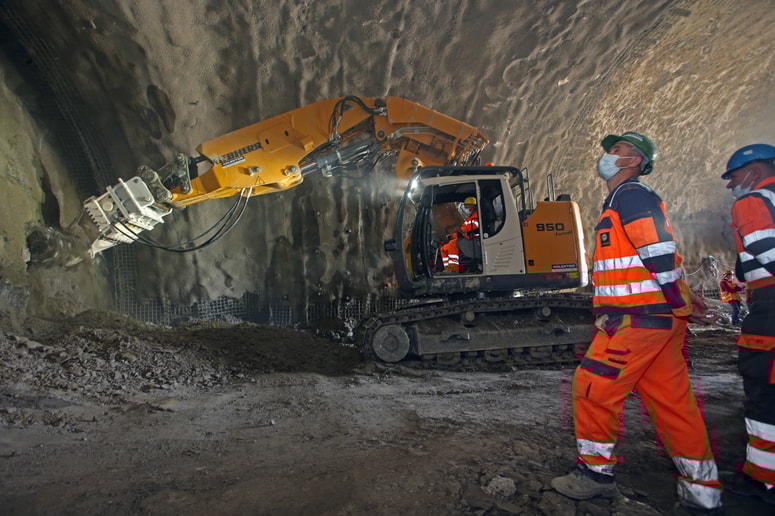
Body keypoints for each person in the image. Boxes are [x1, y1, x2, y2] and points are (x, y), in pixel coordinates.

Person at [551, 132, 723, 515]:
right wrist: (681, 303)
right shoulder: (621, 201)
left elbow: (659, 251)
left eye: (618, 151)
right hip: (656, 321)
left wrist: (680, 303)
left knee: (593, 386)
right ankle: (702, 495)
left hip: (638, 320)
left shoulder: (631, 197)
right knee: (674, 405)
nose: (609, 157)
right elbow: (662, 258)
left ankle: (596, 476)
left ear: (635, 162)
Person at [718, 143, 775, 505]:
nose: (731, 186)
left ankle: (763, 480)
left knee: (763, 390)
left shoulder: (752, 202)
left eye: (734, 177)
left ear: (754, 171)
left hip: (770, 306)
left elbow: (769, 254)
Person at [440, 196, 479, 272]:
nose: (464, 208)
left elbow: (475, 226)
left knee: (452, 244)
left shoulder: (477, 215)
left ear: (472, 205)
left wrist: (461, 229)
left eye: (466, 206)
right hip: (467, 239)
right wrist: (453, 235)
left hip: (473, 240)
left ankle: (453, 270)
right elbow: (463, 232)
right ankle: (447, 269)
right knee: (444, 249)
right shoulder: (469, 217)